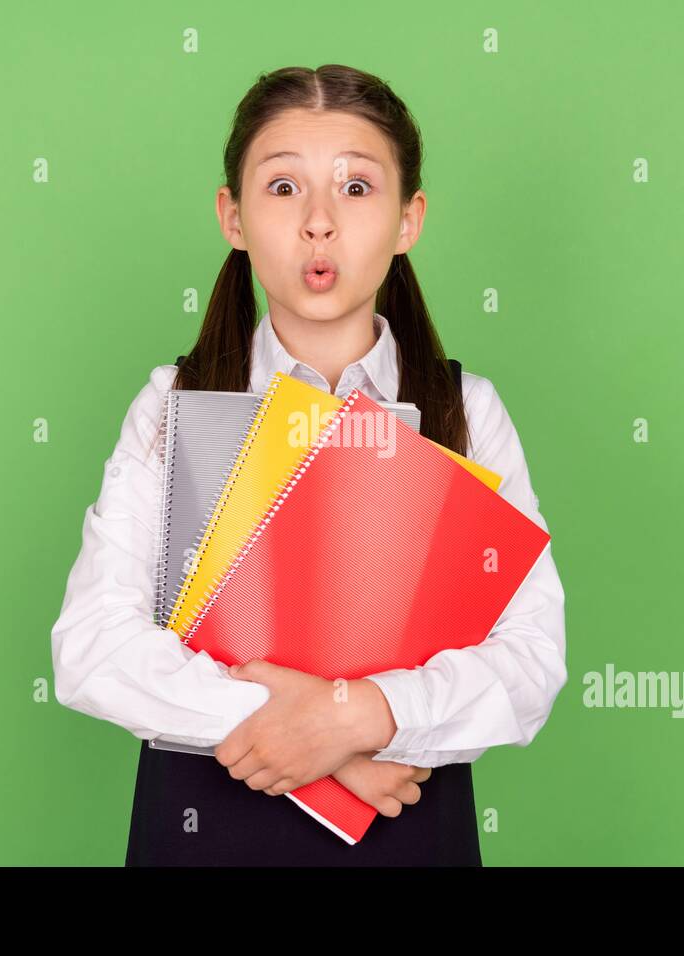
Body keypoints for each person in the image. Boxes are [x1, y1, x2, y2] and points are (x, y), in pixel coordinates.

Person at [49, 64, 567, 866]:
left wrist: (361, 716)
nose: (319, 223)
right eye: (283, 188)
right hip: (205, 827)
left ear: (408, 219)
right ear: (233, 216)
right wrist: (320, 732)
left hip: (406, 831)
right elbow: (92, 647)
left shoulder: (466, 409)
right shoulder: (175, 402)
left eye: (357, 188)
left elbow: (530, 661)